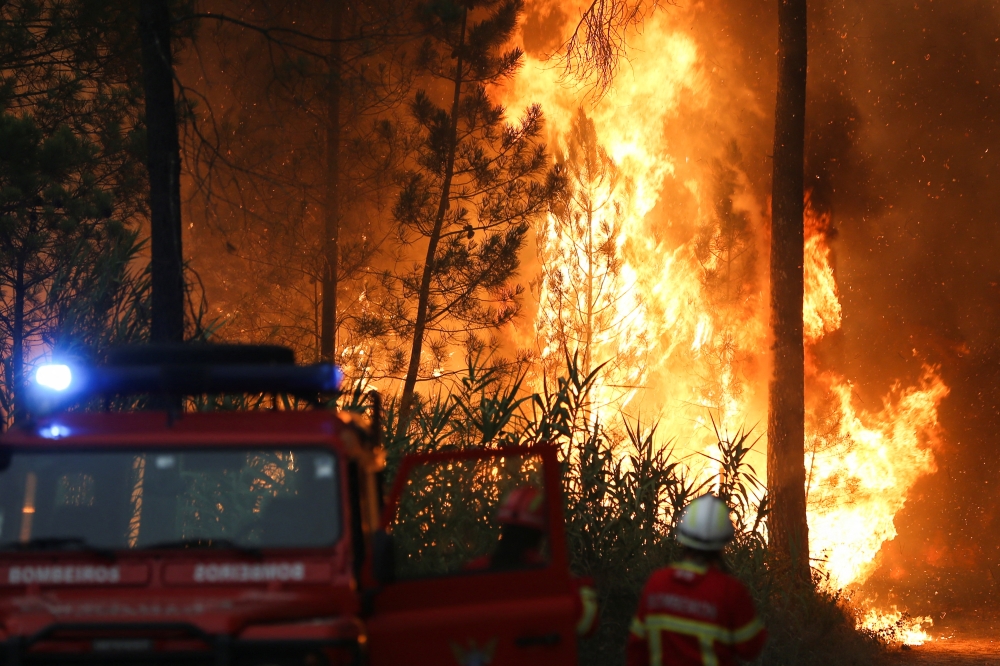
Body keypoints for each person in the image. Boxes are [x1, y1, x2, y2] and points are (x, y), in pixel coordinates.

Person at [627, 495, 766, 666]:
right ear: (723, 542)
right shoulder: (730, 591)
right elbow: (751, 648)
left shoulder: (657, 583)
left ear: (682, 536)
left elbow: (636, 648)